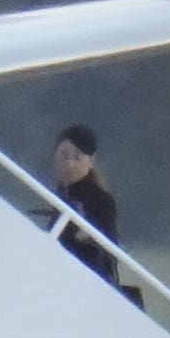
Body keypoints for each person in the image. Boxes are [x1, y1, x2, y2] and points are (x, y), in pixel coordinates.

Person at [53, 124, 134, 294]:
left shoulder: (101, 200)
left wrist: (85, 236)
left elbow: (110, 254)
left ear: (90, 162)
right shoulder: (59, 195)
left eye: (77, 157)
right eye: (64, 155)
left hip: (84, 286)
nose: (69, 163)